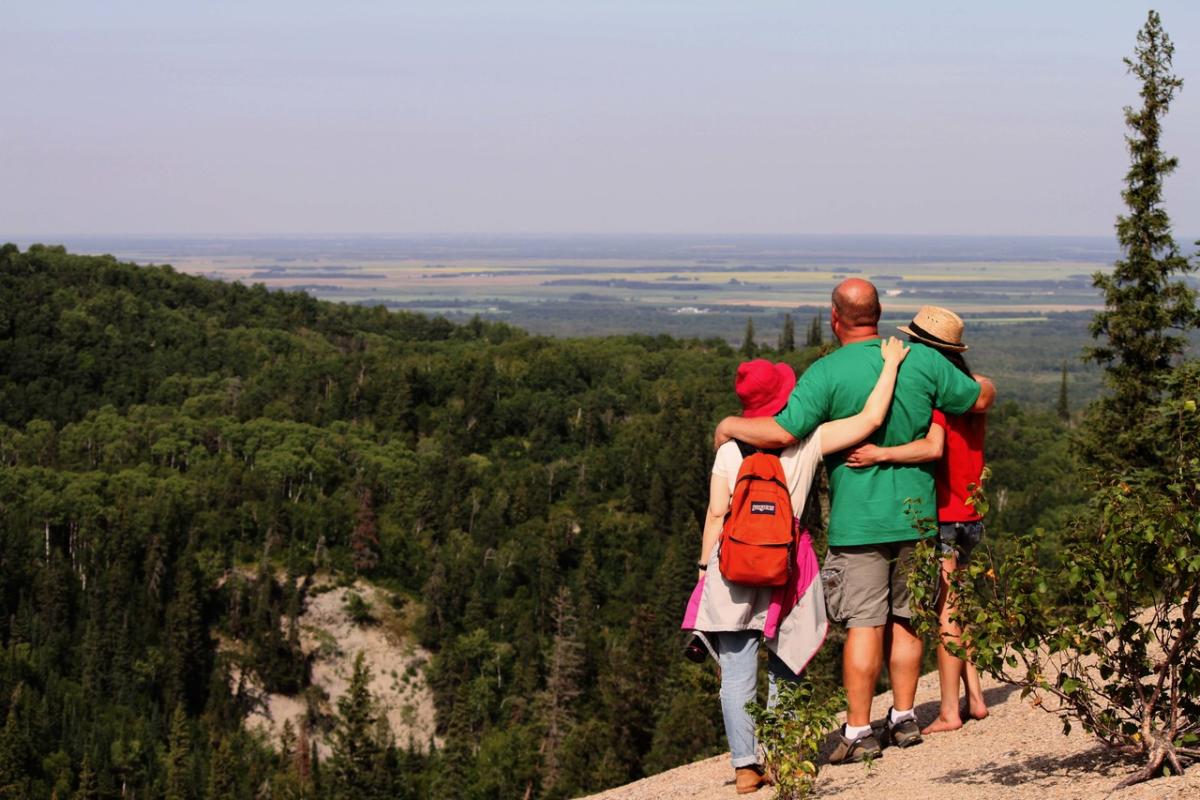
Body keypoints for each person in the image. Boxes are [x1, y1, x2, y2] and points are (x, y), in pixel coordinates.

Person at [713, 279, 995, 765]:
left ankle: (860, 729)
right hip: (918, 517)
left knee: (865, 625)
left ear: (834, 318)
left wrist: (729, 425)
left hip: (858, 521)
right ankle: (904, 717)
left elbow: (782, 431)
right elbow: (978, 399)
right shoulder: (922, 360)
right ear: (880, 314)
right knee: (908, 621)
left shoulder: (825, 372)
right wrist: (986, 384)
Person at [683, 337, 910, 794]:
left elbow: (716, 514)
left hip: (733, 565)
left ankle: (745, 767)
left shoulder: (728, 450)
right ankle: (784, 756)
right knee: (787, 663)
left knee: (737, 672)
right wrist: (889, 364)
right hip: (790, 564)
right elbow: (871, 419)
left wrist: (705, 569)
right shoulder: (808, 442)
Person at [845, 305, 989, 733]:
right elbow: (984, 392)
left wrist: (880, 454)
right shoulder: (973, 394)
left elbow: (933, 448)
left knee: (946, 614)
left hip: (942, 513)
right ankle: (976, 697)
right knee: (960, 606)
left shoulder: (937, 400)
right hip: (971, 513)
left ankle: (948, 711)